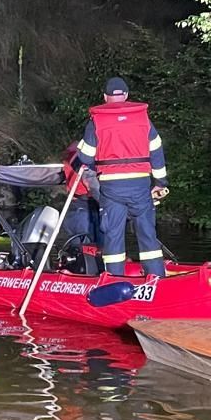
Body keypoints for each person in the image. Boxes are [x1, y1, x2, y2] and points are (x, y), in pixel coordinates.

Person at [75, 77, 168, 278]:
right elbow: (157, 151)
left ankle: (113, 281)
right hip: (141, 186)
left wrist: (96, 166)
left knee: (113, 236)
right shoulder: (143, 118)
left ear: (105, 97)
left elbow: (85, 156)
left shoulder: (97, 121)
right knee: (147, 235)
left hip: (111, 187)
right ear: (125, 95)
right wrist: (160, 182)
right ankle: (158, 280)